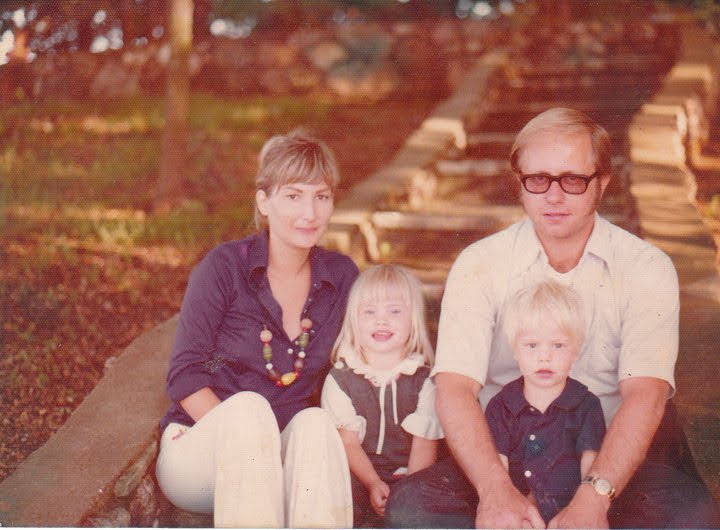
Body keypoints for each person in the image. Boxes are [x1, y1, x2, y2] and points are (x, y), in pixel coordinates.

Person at [385, 107, 720, 528]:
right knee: (412, 510)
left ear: (602, 183)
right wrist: (493, 492)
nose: (554, 196)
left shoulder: (644, 267)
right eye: (538, 180)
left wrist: (594, 498)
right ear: (519, 185)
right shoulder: (480, 263)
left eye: (573, 180)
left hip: (607, 457)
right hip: (502, 452)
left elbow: (645, 395)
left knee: (693, 518)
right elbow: (453, 388)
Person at [155, 132, 359, 528]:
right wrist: (254, 443)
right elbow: (184, 375)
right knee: (249, 411)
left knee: (316, 424)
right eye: (294, 195)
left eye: (321, 196)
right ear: (264, 201)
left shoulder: (343, 277)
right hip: (202, 451)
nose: (310, 212)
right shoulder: (224, 268)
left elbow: (360, 364)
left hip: (284, 453)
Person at [321, 264, 443, 527]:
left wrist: (407, 492)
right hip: (360, 477)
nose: (382, 320)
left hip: (412, 477)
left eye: (395, 311)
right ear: (354, 319)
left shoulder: (426, 380)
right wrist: (373, 483)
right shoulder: (341, 379)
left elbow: (425, 444)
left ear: (413, 320)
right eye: (369, 311)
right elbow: (348, 444)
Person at [485, 279, 606, 524]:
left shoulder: (586, 405)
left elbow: (590, 466)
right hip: (518, 513)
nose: (544, 357)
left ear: (576, 351)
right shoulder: (501, 406)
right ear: (514, 349)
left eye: (558, 345)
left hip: (569, 513)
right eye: (531, 345)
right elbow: (498, 470)